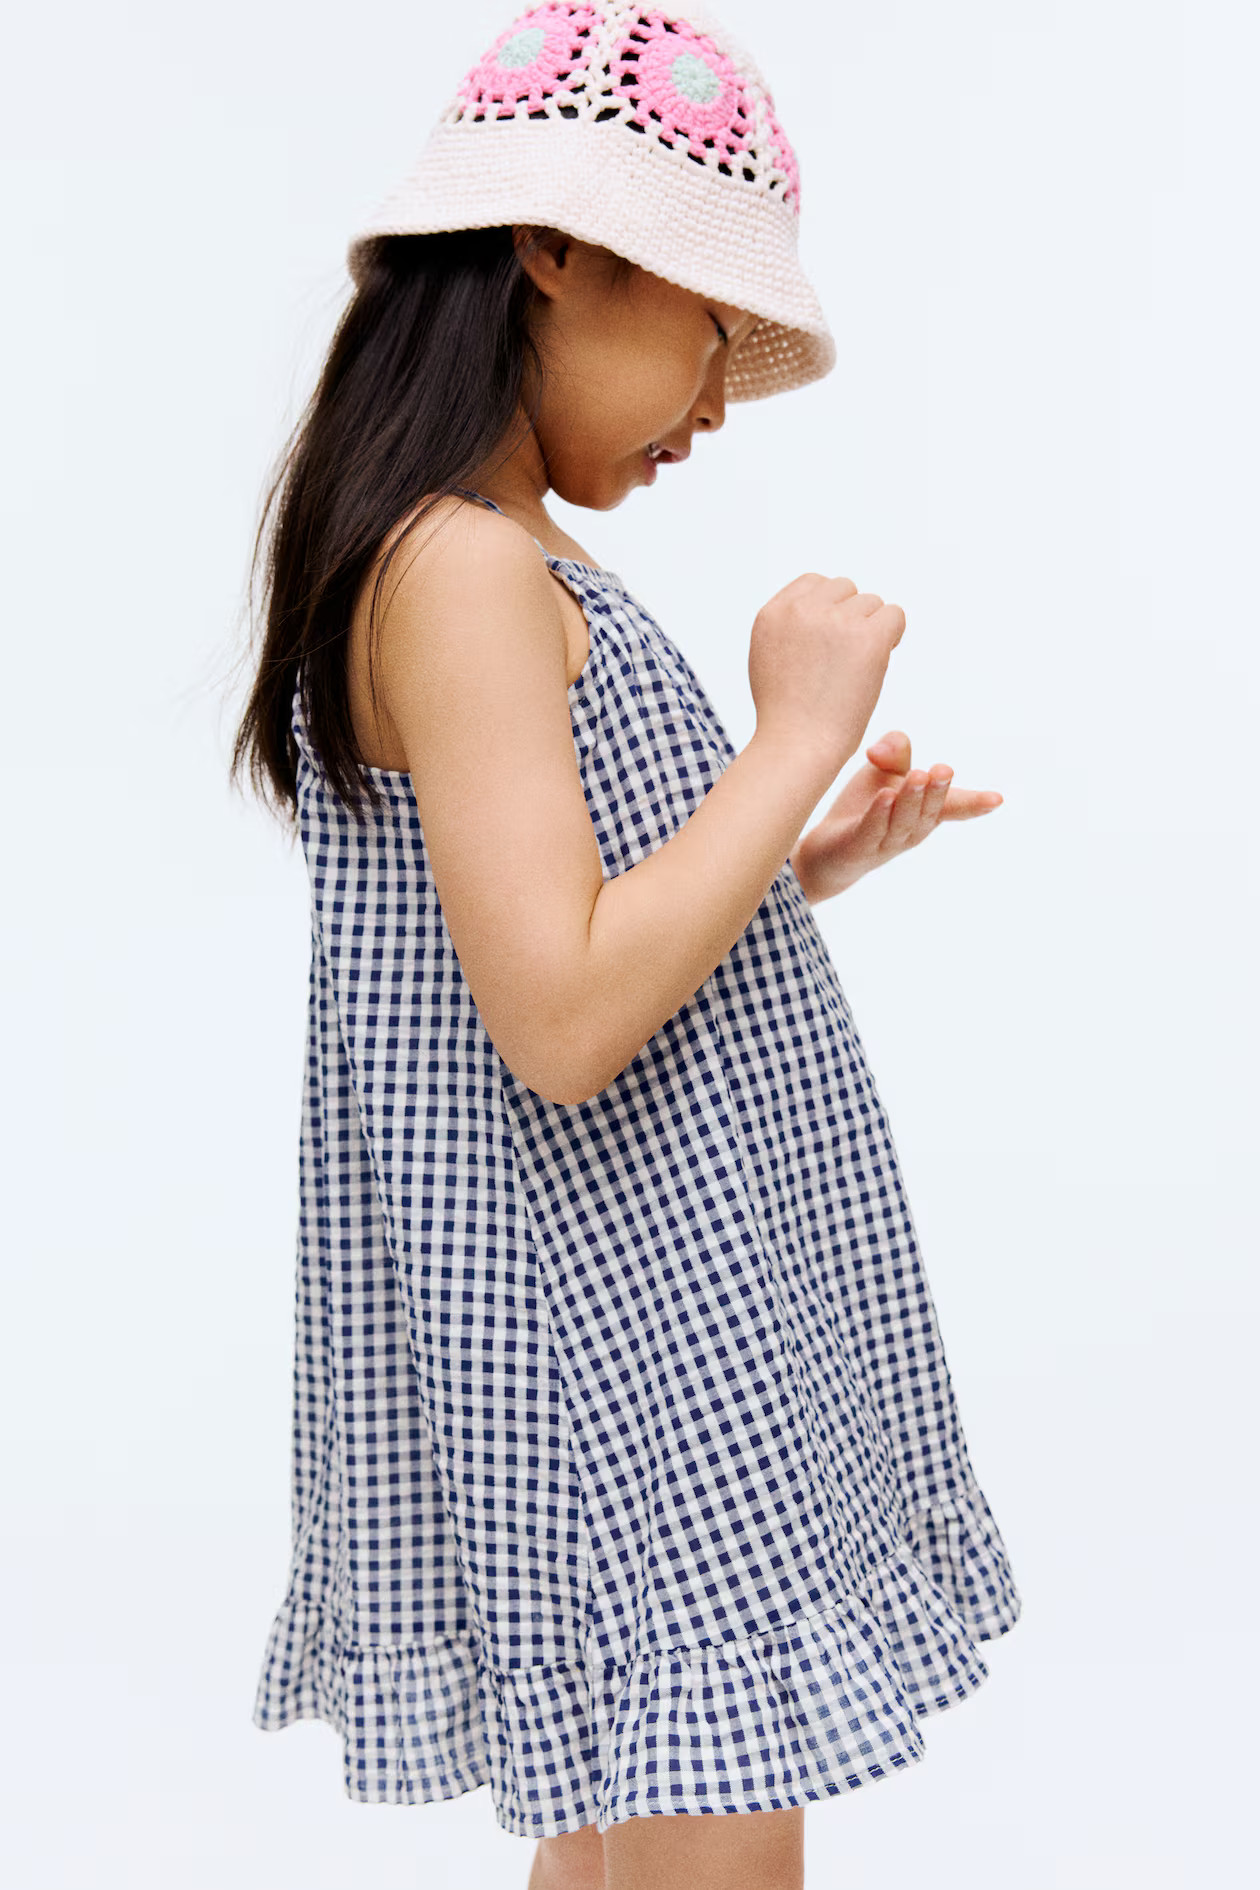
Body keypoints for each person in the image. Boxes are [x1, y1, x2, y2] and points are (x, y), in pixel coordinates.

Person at [231, 6, 1021, 1887]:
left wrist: (788, 863)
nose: (719, 405)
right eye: (711, 328)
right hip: (629, 1341)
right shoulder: (464, 569)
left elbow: (526, 944)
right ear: (555, 250)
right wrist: (791, 735)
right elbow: (565, 1021)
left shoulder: (471, 554)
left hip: (623, 1322)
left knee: (623, 1841)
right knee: (709, 1842)